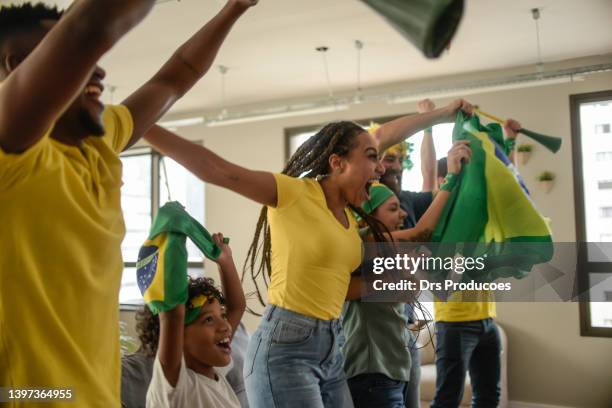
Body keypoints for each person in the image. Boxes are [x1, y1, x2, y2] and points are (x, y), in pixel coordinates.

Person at [0, 1, 256, 406]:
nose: (100, 69)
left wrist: (234, 8)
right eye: (75, 56)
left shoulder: (97, 145)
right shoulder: (8, 151)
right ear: (15, 68)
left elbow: (177, 76)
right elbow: (93, 24)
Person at [142, 98, 472, 407]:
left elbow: (418, 233)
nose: (380, 169)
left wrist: (452, 175)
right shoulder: (296, 194)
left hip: (332, 348)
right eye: (371, 158)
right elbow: (220, 171)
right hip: (286, 349)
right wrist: (137, 122)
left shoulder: (349, 228)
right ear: (337, 162)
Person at [342, 169, 468, 407]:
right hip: (372, 373)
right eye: (392, 209)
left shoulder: (390, 254)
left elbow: (424, 289)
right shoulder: (361, 243)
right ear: (368, 217)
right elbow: (421, 233)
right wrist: (452, 178)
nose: (402, 214)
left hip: (393, 367)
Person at [430, 119, 521, 408]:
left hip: (487, 322)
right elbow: (428, 173)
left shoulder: (479, 212)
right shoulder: (437, 213)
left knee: (488, 397)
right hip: (455, 324)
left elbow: (510, 188)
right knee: (447, 399)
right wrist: (431, 129)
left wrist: (509, 143)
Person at [136, 233, 246, 408]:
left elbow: (236, 307)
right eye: (209, 319)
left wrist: (225, 261)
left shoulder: (213, 371)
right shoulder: (176, 388)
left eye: (222, 316)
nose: (225, 326)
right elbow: (172, 315)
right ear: (177, 334)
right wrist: (174, 239)